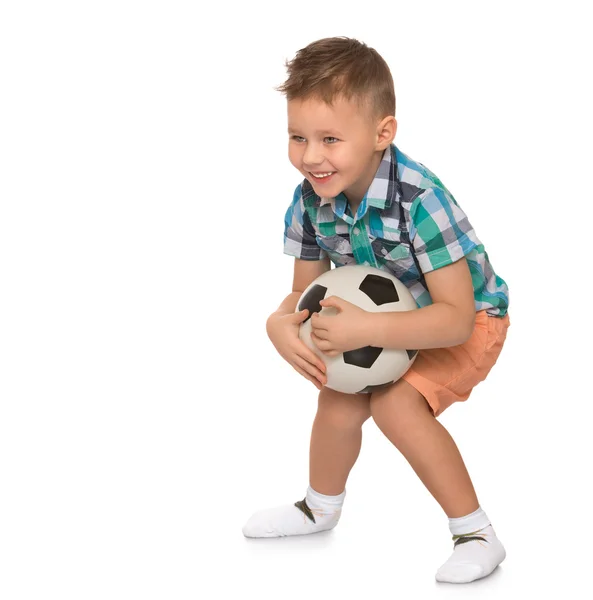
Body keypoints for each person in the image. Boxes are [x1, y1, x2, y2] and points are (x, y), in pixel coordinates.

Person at [242, 36, 510, 585]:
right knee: (337, 396)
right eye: (298, 137)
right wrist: (279, 321)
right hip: (380, 324)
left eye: (330, 139)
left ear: (382, 133)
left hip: (466, 322)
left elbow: (456, 317)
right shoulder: (308, 199)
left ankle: (476, 532)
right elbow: (303, 294)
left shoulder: (420, 200)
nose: (311, 156)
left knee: (393, 404)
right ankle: (319, 507)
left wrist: (366, 326)